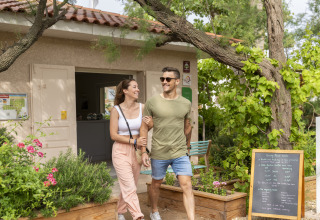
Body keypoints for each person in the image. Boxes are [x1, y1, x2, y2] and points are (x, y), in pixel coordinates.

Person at [140, 67, 194, 220]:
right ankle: (154, 211)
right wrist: (144, 151)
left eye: (168, 79)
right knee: (156, 183)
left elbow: (187, 127)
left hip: (179, 152)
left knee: (187, 185)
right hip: (159, 151)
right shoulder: (152, 102)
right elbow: (144, 127)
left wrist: (188, 148)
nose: (164, 82)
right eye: (162, 79)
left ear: (177, 81)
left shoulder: (185, 103)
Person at [110, 79, 153, 220]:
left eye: (138, 87)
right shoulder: (116, 110)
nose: (138, 89)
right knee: (129, 186)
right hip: (120, 151)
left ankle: (120, 212)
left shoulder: (142, 107)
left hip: (136, 151)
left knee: (130, 184)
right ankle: (138, 216)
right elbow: (113, 135)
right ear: (125, 90)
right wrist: (133, 140)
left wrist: (144, 150)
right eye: (134, 87)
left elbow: (144, 130)